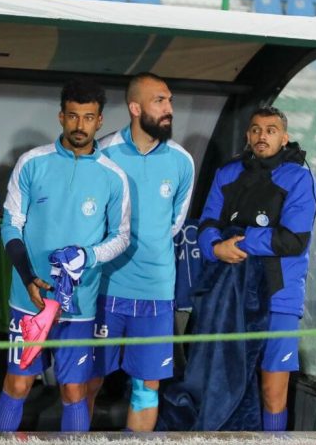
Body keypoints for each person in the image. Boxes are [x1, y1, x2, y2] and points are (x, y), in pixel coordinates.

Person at [0, 78, 130, 432]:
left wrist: (88, 256)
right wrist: (28, 278)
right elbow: (11, 225)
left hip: (79, 305)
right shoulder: (32, 162)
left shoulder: (113, 177)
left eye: (88, 117)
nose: (80, 125)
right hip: (29, 300)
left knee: (74, 391)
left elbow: (121, 237)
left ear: (100, 121)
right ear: (61, 117)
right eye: (73, 116)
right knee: (18, 384)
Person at [196, 106, 316, 431]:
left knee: (272, 391)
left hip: (280, 297)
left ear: (284, 137)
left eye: (271, 130)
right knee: (223, 388)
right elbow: (207, 223)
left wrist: (240, 240)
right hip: (229, 298)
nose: (262, 136)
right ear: (248, 135)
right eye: (255, 129)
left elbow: (294, 240)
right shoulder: (227, 173)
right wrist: (215, 247)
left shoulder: (300, 177)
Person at [86, 72, 195, 431]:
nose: (169, 109)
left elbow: (174, 224)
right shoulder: (103, 153)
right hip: (105, 290)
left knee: (147, 390)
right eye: (159, 101)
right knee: (86, 382)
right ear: (135, 108)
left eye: (170, 101)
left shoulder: (182, 160)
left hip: (156, 293)